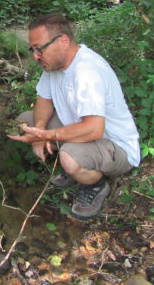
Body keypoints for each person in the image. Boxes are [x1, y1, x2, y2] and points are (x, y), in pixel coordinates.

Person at [8, 12, 140, 220]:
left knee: (69, 157)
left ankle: (96, 185)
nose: (35, 56)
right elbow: (44, 99)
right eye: (32, 50)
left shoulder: (87, 71)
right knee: (25, 120)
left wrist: (47, 136)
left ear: (63, 41)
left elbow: (94, 129)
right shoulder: (53, 66)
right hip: (85, 133)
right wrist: (40, 128)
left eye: (39, 49)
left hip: (115, 145)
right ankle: (76, 166)